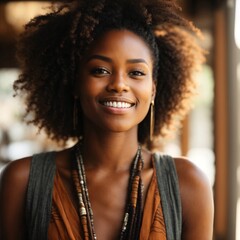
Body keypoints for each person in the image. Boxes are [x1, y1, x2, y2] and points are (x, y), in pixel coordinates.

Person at [0, 0, 214, 239]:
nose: (119, 85)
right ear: (75, 83)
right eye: (100, 70)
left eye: (136, 73)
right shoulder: (22, 181)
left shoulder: (188, 184)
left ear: (153, 90)